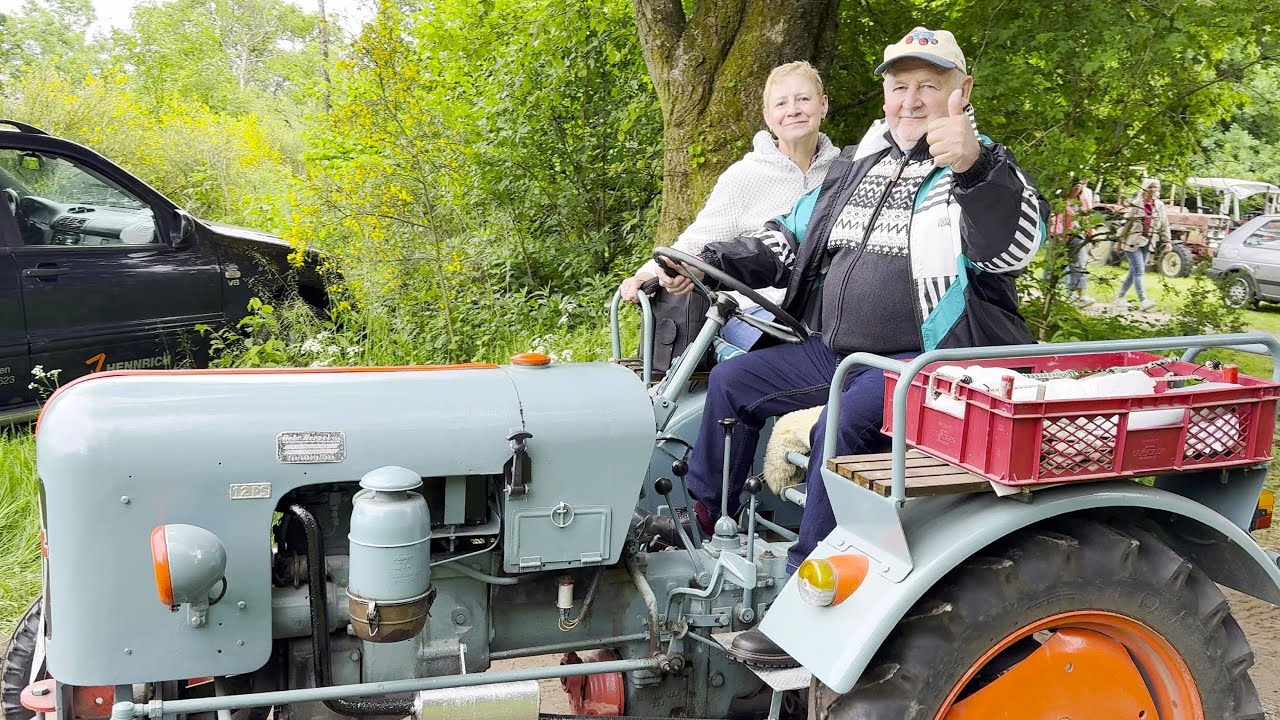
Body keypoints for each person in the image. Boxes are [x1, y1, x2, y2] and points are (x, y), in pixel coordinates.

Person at [665, 27, 1047, 667]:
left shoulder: (983, 170)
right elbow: (786, 240)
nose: (913, 99)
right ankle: (710, 524)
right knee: (732, 386)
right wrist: (703, 260)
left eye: (931, 84)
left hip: (927, 361)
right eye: (901, 86)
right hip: (835, 349)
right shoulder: (857, 171)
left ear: (962, 91)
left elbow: (1015, 246)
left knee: (841, 423)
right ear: (886, 96)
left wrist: (974, 167)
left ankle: (804, 602)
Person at [618, 61, 840, 350]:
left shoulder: (846, 172)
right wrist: (647, 272)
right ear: (768, 117)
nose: (793, 109)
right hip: (756, 312)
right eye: (781, 103)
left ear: (823, 105)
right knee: (789, 354)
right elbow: (699, 239)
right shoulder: (744, 177)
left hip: (829, 313)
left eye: (803, 99)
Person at [1114, 178, 1170, 312]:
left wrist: (1167, 241)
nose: (1153, 190)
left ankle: (1120, 297)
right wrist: (1119, 240)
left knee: (1134, 271)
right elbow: (1127, 223)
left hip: (1148, 242)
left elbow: (1164, 224)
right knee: (1139, 270)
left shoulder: (1160, 206)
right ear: (1144, 188)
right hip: (1132, 242)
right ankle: (1143, 300)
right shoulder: (1136, 204)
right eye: (1150, 187)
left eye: (1156, 187)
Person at [1047, 179, 1095, 305]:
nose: (1077, 188)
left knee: (1079, 264)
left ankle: (1079, 295)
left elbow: (1086, 218)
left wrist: (1091, 233)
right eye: (1075, 185)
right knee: (1055, 265)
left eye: (1080, 186)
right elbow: (1055, 218)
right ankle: (1049, 292)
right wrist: (1058, 234)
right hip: (1060, 236)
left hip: (1077, 235)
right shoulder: (1060, 201)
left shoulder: (1082, 201)